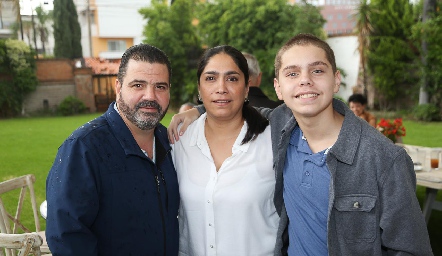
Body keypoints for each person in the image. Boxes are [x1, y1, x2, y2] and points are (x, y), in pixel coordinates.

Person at [168, 34, 433, 256]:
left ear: (336, 79)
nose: (305, 80)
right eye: (292, 73)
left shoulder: (384, 158)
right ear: (278, 88)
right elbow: (227, 106)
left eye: (317, 70)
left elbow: (410, 248)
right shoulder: (281, 129)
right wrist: (196, 111)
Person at [45, 44, 180, 255]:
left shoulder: (169, 141)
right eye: (138, 85)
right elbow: (67, 238)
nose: (150, 96)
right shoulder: (83, 148)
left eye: (160, 87)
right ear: (118, 87)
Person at [171, 45, 279, 255]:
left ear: (247, 87)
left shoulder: (272, 140)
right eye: (210, 78)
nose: (221, 87)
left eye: (232, 78)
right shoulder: (179, 140)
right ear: (199, 88)